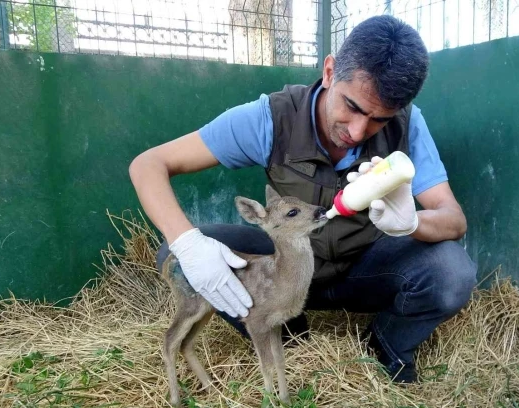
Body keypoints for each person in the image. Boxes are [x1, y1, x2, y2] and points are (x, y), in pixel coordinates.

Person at [129, 14, 477, 383]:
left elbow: (453, 219)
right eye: (353, 107)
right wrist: (188, 243)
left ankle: (386, 345)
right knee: (177, 253)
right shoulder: (271, 117)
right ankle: (291, 338)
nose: (358, 131)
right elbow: (149, 164)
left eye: (379, 119)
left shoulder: (409, 124)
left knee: (451, 273)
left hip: (363, 268)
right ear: (329, 71)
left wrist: (412, 223)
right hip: (282, 268)